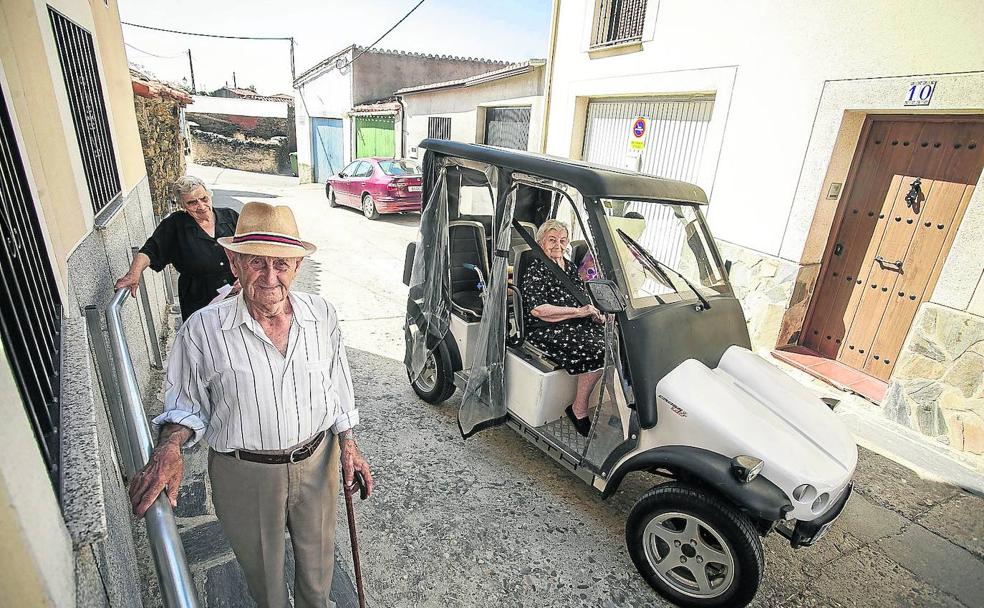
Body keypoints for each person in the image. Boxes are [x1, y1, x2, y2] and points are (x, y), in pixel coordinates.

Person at [128, 201, 374, 608]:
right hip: (244, 473)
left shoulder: (322, 315)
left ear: (296, 266)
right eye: (257, 262)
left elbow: (337, 385)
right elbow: (186, 404)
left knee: (319, 576)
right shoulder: (203, 329)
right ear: (234, 261)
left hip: (317, 464)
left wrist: (348, 443)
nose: (270, 276)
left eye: (281, 264)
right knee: (266, 585)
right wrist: (170, 447)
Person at [519, 219, 606, 437]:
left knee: (616, 342)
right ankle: (578, 409)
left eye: (562, 240)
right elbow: (538, 310)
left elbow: (582, 297)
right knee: (599, 350)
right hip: (547, 327)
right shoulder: (536, 268)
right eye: (552, 240)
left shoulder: (569, 266)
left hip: (575, 322)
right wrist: (578, 312)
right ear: (540, 242)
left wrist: (595, 314)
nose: (558, 245)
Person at [115, 176, 240, 320]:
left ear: (209, 194)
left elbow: (253, 248)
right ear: (182, 205)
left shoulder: (230, 217)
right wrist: (133, 274)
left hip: (238, 296)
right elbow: (149, 251)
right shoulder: (175, 225)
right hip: (200, 302)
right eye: (192, 202)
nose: (201, 206)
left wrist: (246, 278)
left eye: (204, 198)